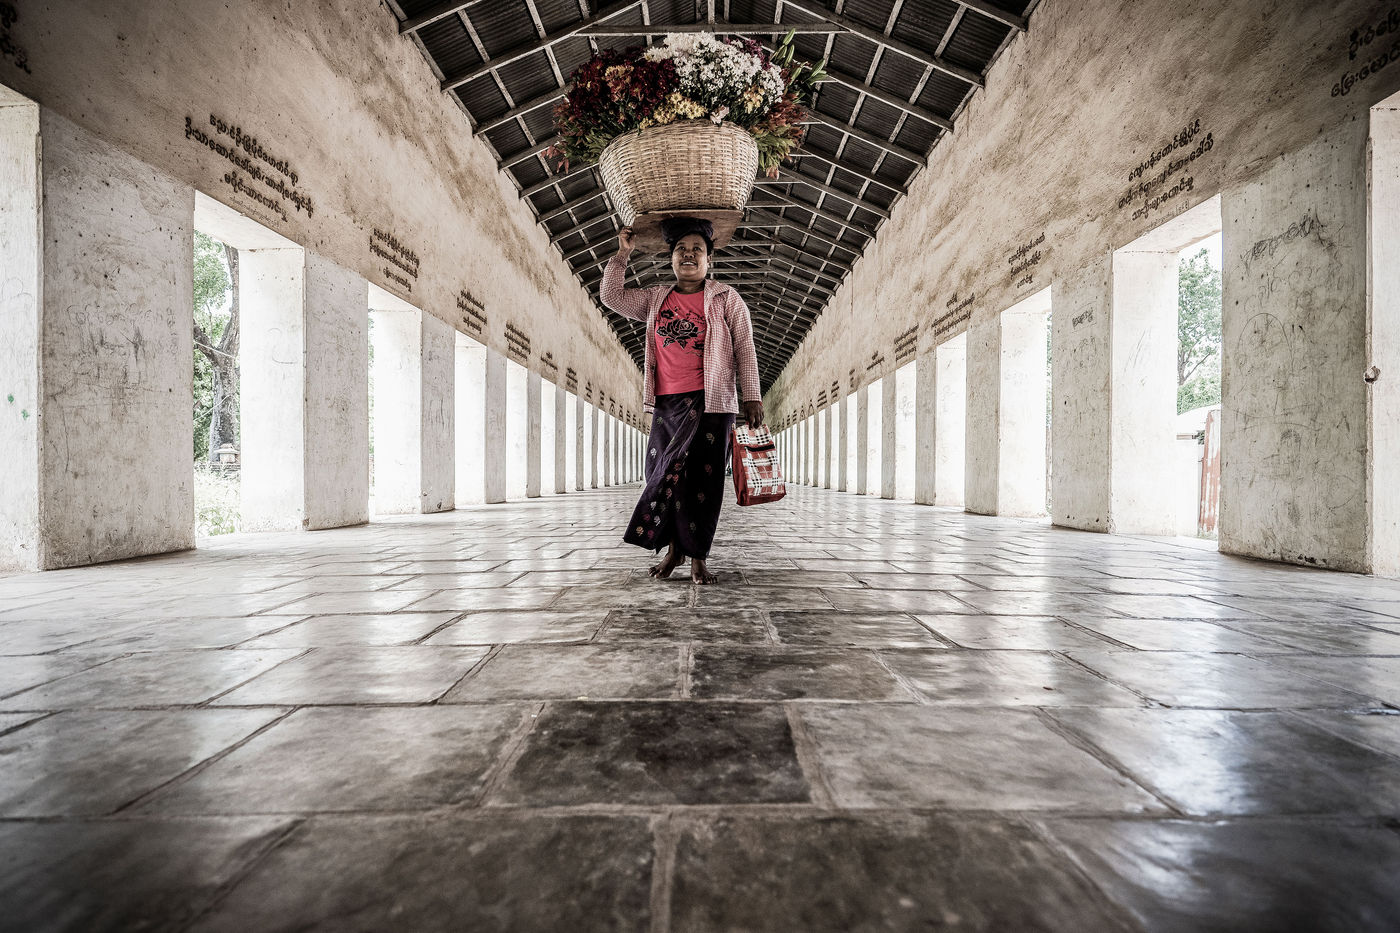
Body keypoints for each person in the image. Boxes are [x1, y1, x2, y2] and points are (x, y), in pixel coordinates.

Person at [601, 217, 763, 584]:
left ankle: (698, 558)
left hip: (713, 403)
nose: (689, 255)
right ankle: (674, 549)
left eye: (697, 250)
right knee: (663, 477)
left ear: (709, 260)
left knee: (704, 483)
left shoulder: (727, 299)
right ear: (671, 258)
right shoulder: (655, 298)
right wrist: (623, 254)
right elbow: (612, 297)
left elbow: (745, 347)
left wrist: (752, 396)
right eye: (680, 250)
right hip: (667, 404)